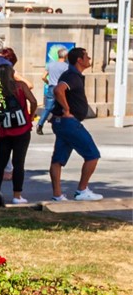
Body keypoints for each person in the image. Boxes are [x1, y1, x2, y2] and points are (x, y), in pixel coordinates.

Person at [49, 47, 102, 202]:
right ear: (79, 59)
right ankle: (82, 190)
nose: (89, 59)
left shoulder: (73, 75)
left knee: (58, 159)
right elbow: (59, 90)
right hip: (69, 123)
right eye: (87, 56)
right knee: (92, 155)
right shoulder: (72, 75)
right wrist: (66, 109)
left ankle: (57, 195)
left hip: (62, 122)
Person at [0, 63, 37, 205]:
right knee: (19, 163)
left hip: (3, 131)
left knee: (0, 163)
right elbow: (33, 101)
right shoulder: (20, 86)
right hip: (22, 130)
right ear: (12, 73)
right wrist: (30, 115)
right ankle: (17, 196)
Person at [36, 47, 69, 135]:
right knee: (63, 107)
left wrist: (48, 82)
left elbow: (43, 77)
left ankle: (40, 124)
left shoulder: (50, 65)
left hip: (51, 87)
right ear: (66, 56)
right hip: (61, 89)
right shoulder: (66, 67)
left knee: (48, 108)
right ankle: (62, 126)